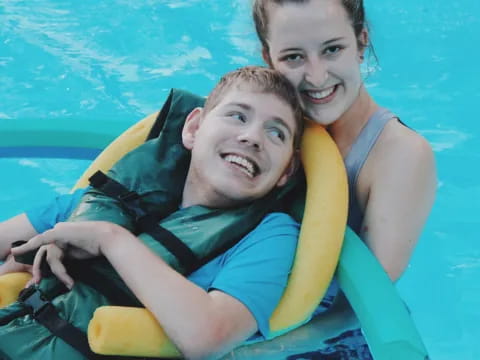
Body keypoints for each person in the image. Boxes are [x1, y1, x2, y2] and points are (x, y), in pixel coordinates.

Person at [0, 66, 304, 360]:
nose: (252, 137)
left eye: (276, 133)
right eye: (238, 116)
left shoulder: (270, 236)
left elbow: (208, 337)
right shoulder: (112, 200)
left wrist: (111, 239)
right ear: (194, 128)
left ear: (285, 172)